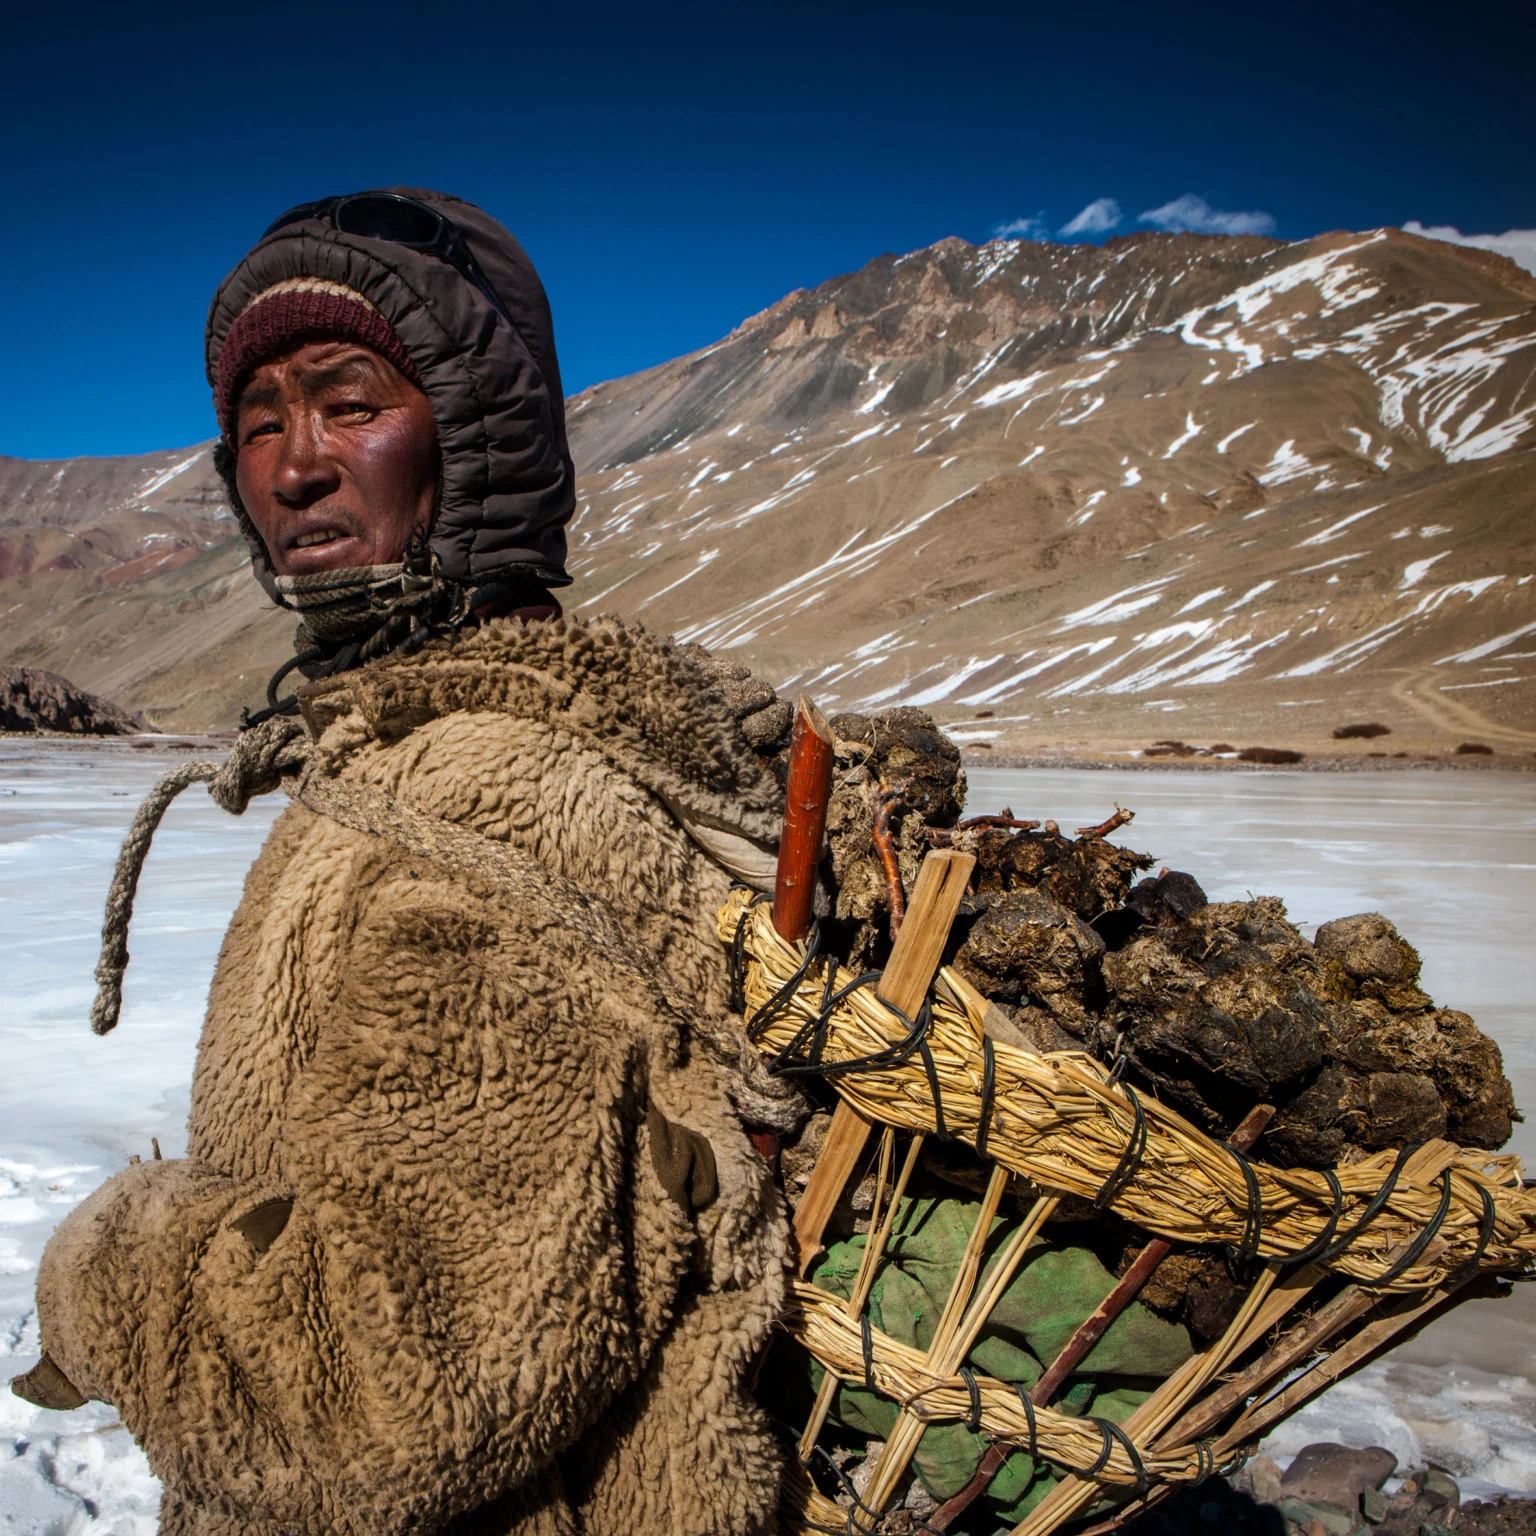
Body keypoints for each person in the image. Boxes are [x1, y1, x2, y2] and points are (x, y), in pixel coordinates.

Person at [15, 189, 799, 1536]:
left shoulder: (496, 799)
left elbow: (394, 1388)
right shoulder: (390, 758)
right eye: (257, 425)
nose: (292, 465)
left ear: (477, 441)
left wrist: (103, 1270)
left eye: (347, 403)